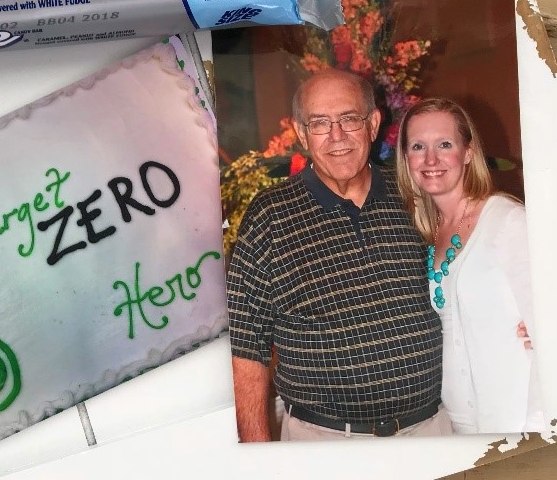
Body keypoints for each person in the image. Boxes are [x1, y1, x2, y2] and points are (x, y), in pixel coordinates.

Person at [226, 69, 451, 442]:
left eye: (349, 119)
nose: (337, 136)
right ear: (301, 133)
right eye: (320, 123)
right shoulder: (270, 216)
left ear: (374, 123)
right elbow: (246, 348)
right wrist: (259, 459)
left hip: (431, 432)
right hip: (324, 443)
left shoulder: (416, 196)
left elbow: (465, 275)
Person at [396, 97, 544, 434]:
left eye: (444, 144)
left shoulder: (506, 221)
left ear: (468, 151)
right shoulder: (426, 234)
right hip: (460, 427)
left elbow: (549, 334)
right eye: (418, 146)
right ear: (406, 158)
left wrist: (538, 430)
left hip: (518, 423)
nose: (431, 159)